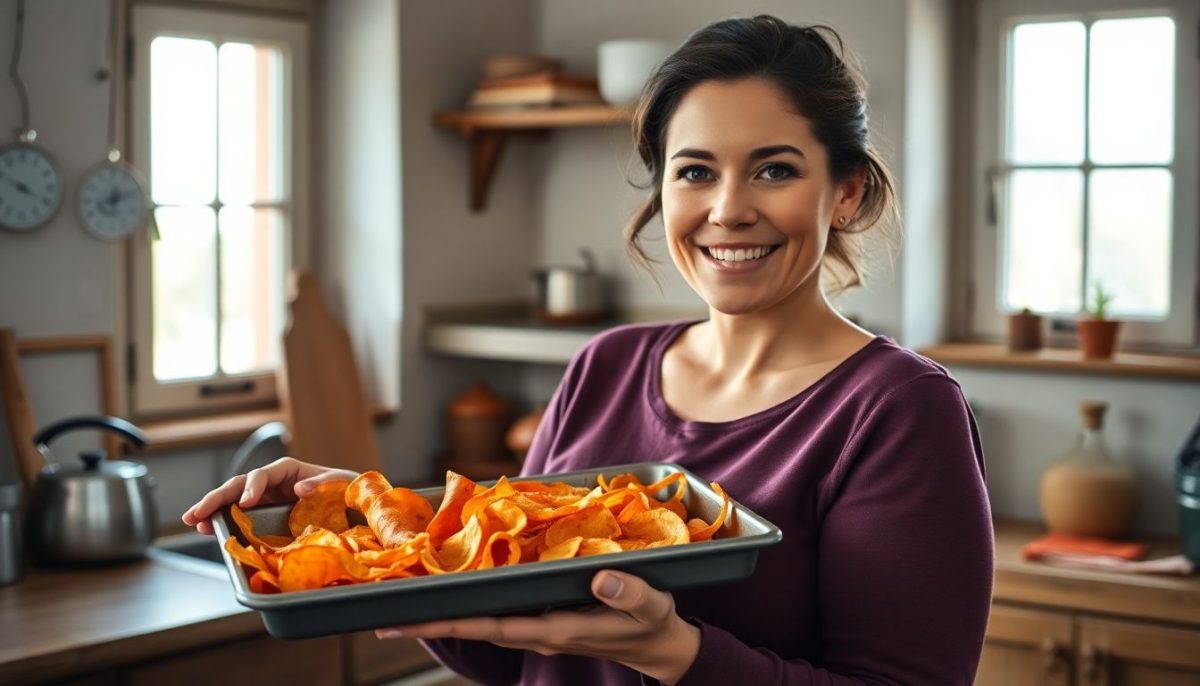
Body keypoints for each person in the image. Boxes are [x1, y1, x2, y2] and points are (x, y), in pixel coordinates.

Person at [184, 14, 993, 685]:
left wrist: (678, 655)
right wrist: (388, 536)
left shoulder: (897, 409)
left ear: (844, 190)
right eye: (695, 171)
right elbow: (519, 648)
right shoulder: (604, 366)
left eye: (774, 170)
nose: (728, 209)